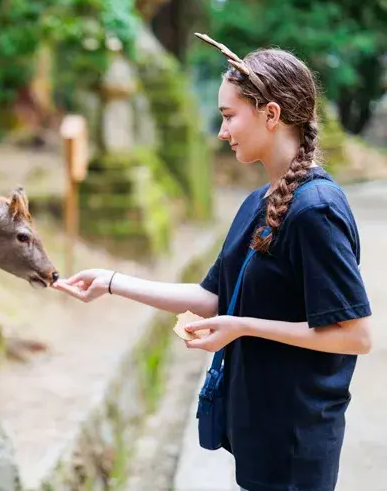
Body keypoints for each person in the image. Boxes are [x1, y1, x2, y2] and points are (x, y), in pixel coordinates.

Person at [52, 33, 372, 491]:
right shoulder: (257, 202)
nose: (221, 132)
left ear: (271, 114)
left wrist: (242, 326)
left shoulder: (315, 210)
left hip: (297, 441)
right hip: (257, 429)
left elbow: (355, 335)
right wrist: (112, 281)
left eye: (228, 116)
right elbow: (212, 297)